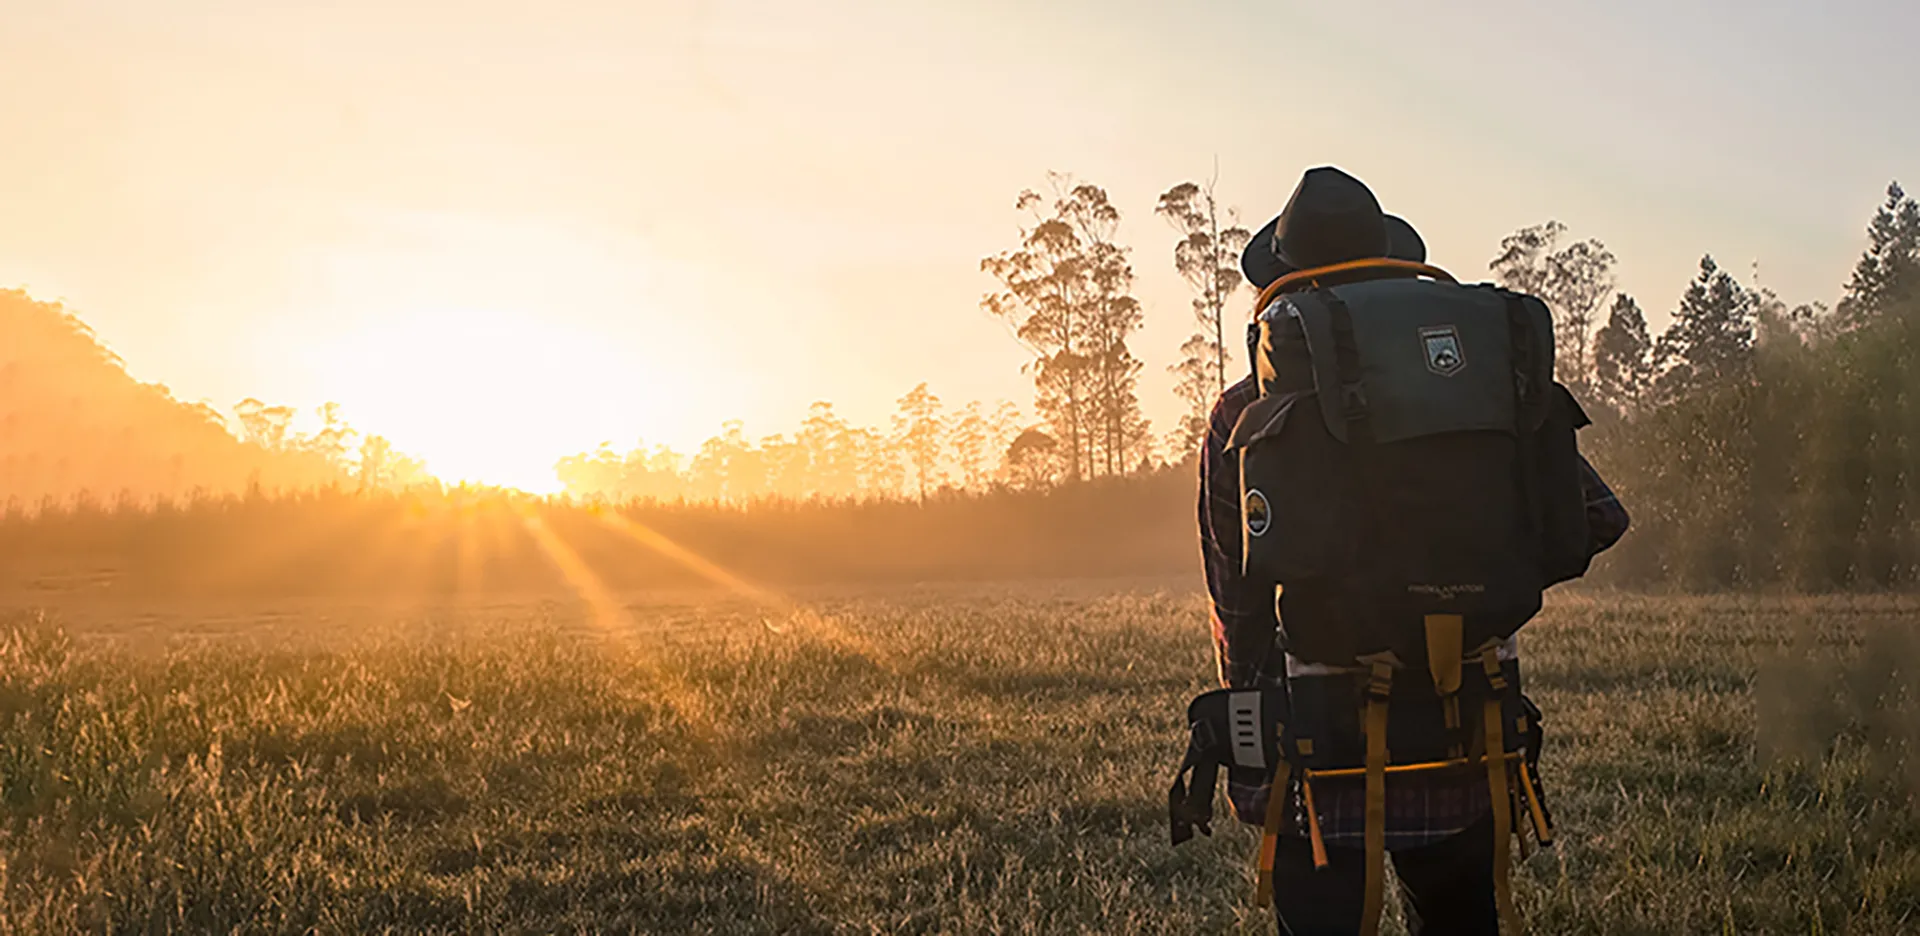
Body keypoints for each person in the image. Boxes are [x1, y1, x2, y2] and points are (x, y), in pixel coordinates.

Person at [1195, 166, 1630, 935]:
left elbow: (1238, 599)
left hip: (1314, 751)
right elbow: (1595, 518)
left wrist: (1253, 746)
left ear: (1288, 283)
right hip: (1466, 731)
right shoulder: (1487, 386)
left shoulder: (1245, 412)